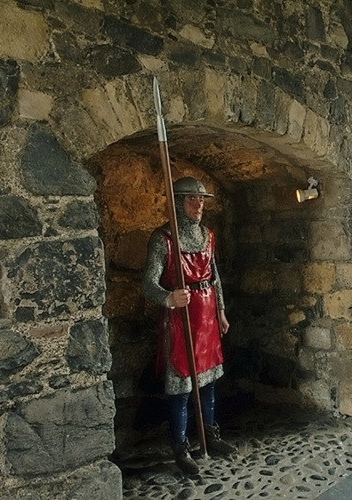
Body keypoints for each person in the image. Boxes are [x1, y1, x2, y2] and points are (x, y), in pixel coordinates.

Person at [142, 176, 235, 474]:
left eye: (202, 200)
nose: (199, 205)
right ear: (178, 203)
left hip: (206, 316)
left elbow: (214, 276)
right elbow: (148, 284)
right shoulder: (164, 239)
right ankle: (180, 446)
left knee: (208, 380)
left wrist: (220, 311)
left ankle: (209, 434)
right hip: (180, 320)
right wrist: (169, 297)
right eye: (192, 199)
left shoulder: (207, 236)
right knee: (181, 386)